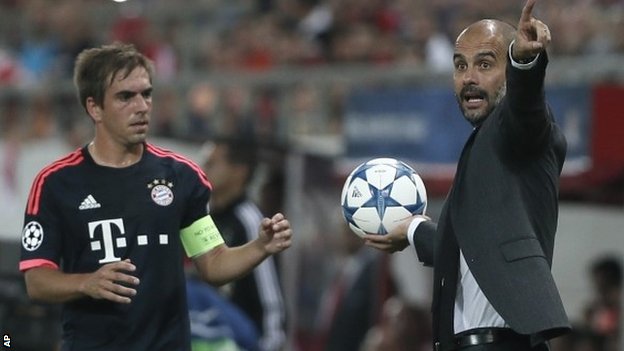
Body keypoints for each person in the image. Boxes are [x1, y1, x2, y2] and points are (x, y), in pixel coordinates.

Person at [18, 43, 292, 351]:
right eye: (125, 96)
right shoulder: (56, 183)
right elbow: (37, 280)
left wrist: (260, 247)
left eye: (146, 94)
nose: (142, 106)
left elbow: (213, 264)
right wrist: (86, 282)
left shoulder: (182, 176)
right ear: (94, 107)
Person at [364, 0, 571, 350]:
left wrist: (525, 62)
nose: (469, 78)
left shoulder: (523, 130)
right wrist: (412, 230)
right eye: (460, 66)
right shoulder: (483, 151)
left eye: (485, 64)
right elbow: (466, 250)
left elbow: (526, 108)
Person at [200, 137, 286, 351]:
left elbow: (270, 299)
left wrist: (269, 344)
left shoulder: (250, 220)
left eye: (212, 163)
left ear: (239, 171)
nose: (203, 169)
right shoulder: (203, 217)